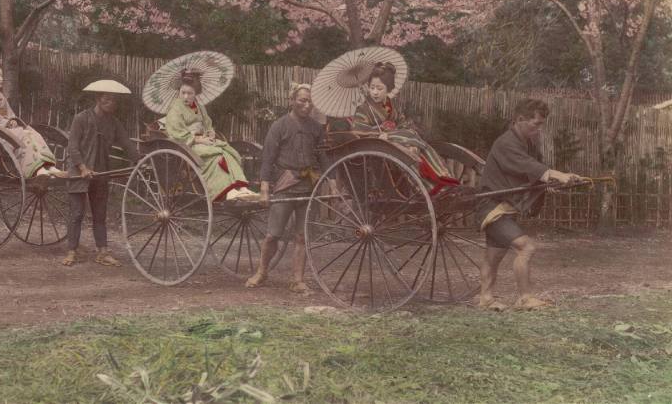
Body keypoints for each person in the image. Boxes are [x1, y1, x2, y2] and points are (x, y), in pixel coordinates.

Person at [477, 98, 580, 311]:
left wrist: (552, 182)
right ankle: (525, 298)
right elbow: (527, 166)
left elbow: (533, 173)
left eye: (542, 124)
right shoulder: (506, 143)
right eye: (536, 124)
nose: (539, 129)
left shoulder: (528, 143)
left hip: (506, 206)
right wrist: (555, 174)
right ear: (520, 120)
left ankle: (485, 298)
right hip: (493, 207)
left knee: (494, 255)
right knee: (526, 247)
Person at [245, 83, 337, 293]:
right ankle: (262, 272)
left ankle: (297, 280)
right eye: (302, 100)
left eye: (309, 101)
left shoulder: (316, 128)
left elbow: (324, 158)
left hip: (309, 187)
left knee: (301, 236)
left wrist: (331, 184)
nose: (306, 105)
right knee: (273, 235)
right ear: (291, 101)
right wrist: (265, 189)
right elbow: (267, 159)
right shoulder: (279, 126)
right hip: (286, 186)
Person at [64, 84, 140, 266]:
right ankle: (71, 251)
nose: (112, 103)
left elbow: (126, 144)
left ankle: (102, 252)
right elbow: (73, 146)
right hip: (79, 172)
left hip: (101, 173)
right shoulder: (81, 119)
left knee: (100, 214)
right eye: (108, 99)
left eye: (114, 100)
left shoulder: (114, 123)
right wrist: (82, 168)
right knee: (76, 214)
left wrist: (140, 160)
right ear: (98, 99)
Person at [352, 62, 456, 193]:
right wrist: (377, 134)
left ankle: (441, 177)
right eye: (372, 88)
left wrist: (398, 131)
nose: (375, 92)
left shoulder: (391, 106)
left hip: (396, 142)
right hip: (377, 146)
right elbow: (359, 129)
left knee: (414, 143)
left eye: (379, 88)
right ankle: (422, 187)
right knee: (408, 146)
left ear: (388, 89)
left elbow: (402, 123)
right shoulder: (363, 108)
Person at [165, 71, 259, 202]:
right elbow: (177, 133)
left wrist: (210, 132)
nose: (186, 96)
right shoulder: (175, 109)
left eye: (190, 93)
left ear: (195, 94)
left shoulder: (200, 107)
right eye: (183, 93)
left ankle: (241, 188)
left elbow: (207, 124)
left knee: (227, 152)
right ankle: (227, 191)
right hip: (187, 145)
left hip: (203, 141)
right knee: (217, 155)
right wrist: (198, 139)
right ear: (179, 92)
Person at [0, 60, 64, 178]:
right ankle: (37, 170)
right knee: (23, 135)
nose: (2, 79)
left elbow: (10, 113)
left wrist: (13, 120)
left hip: (6, 130)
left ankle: (47, 166)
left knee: (31, 133)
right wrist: (7, 122)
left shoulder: (0, 95)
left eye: (2, 76)